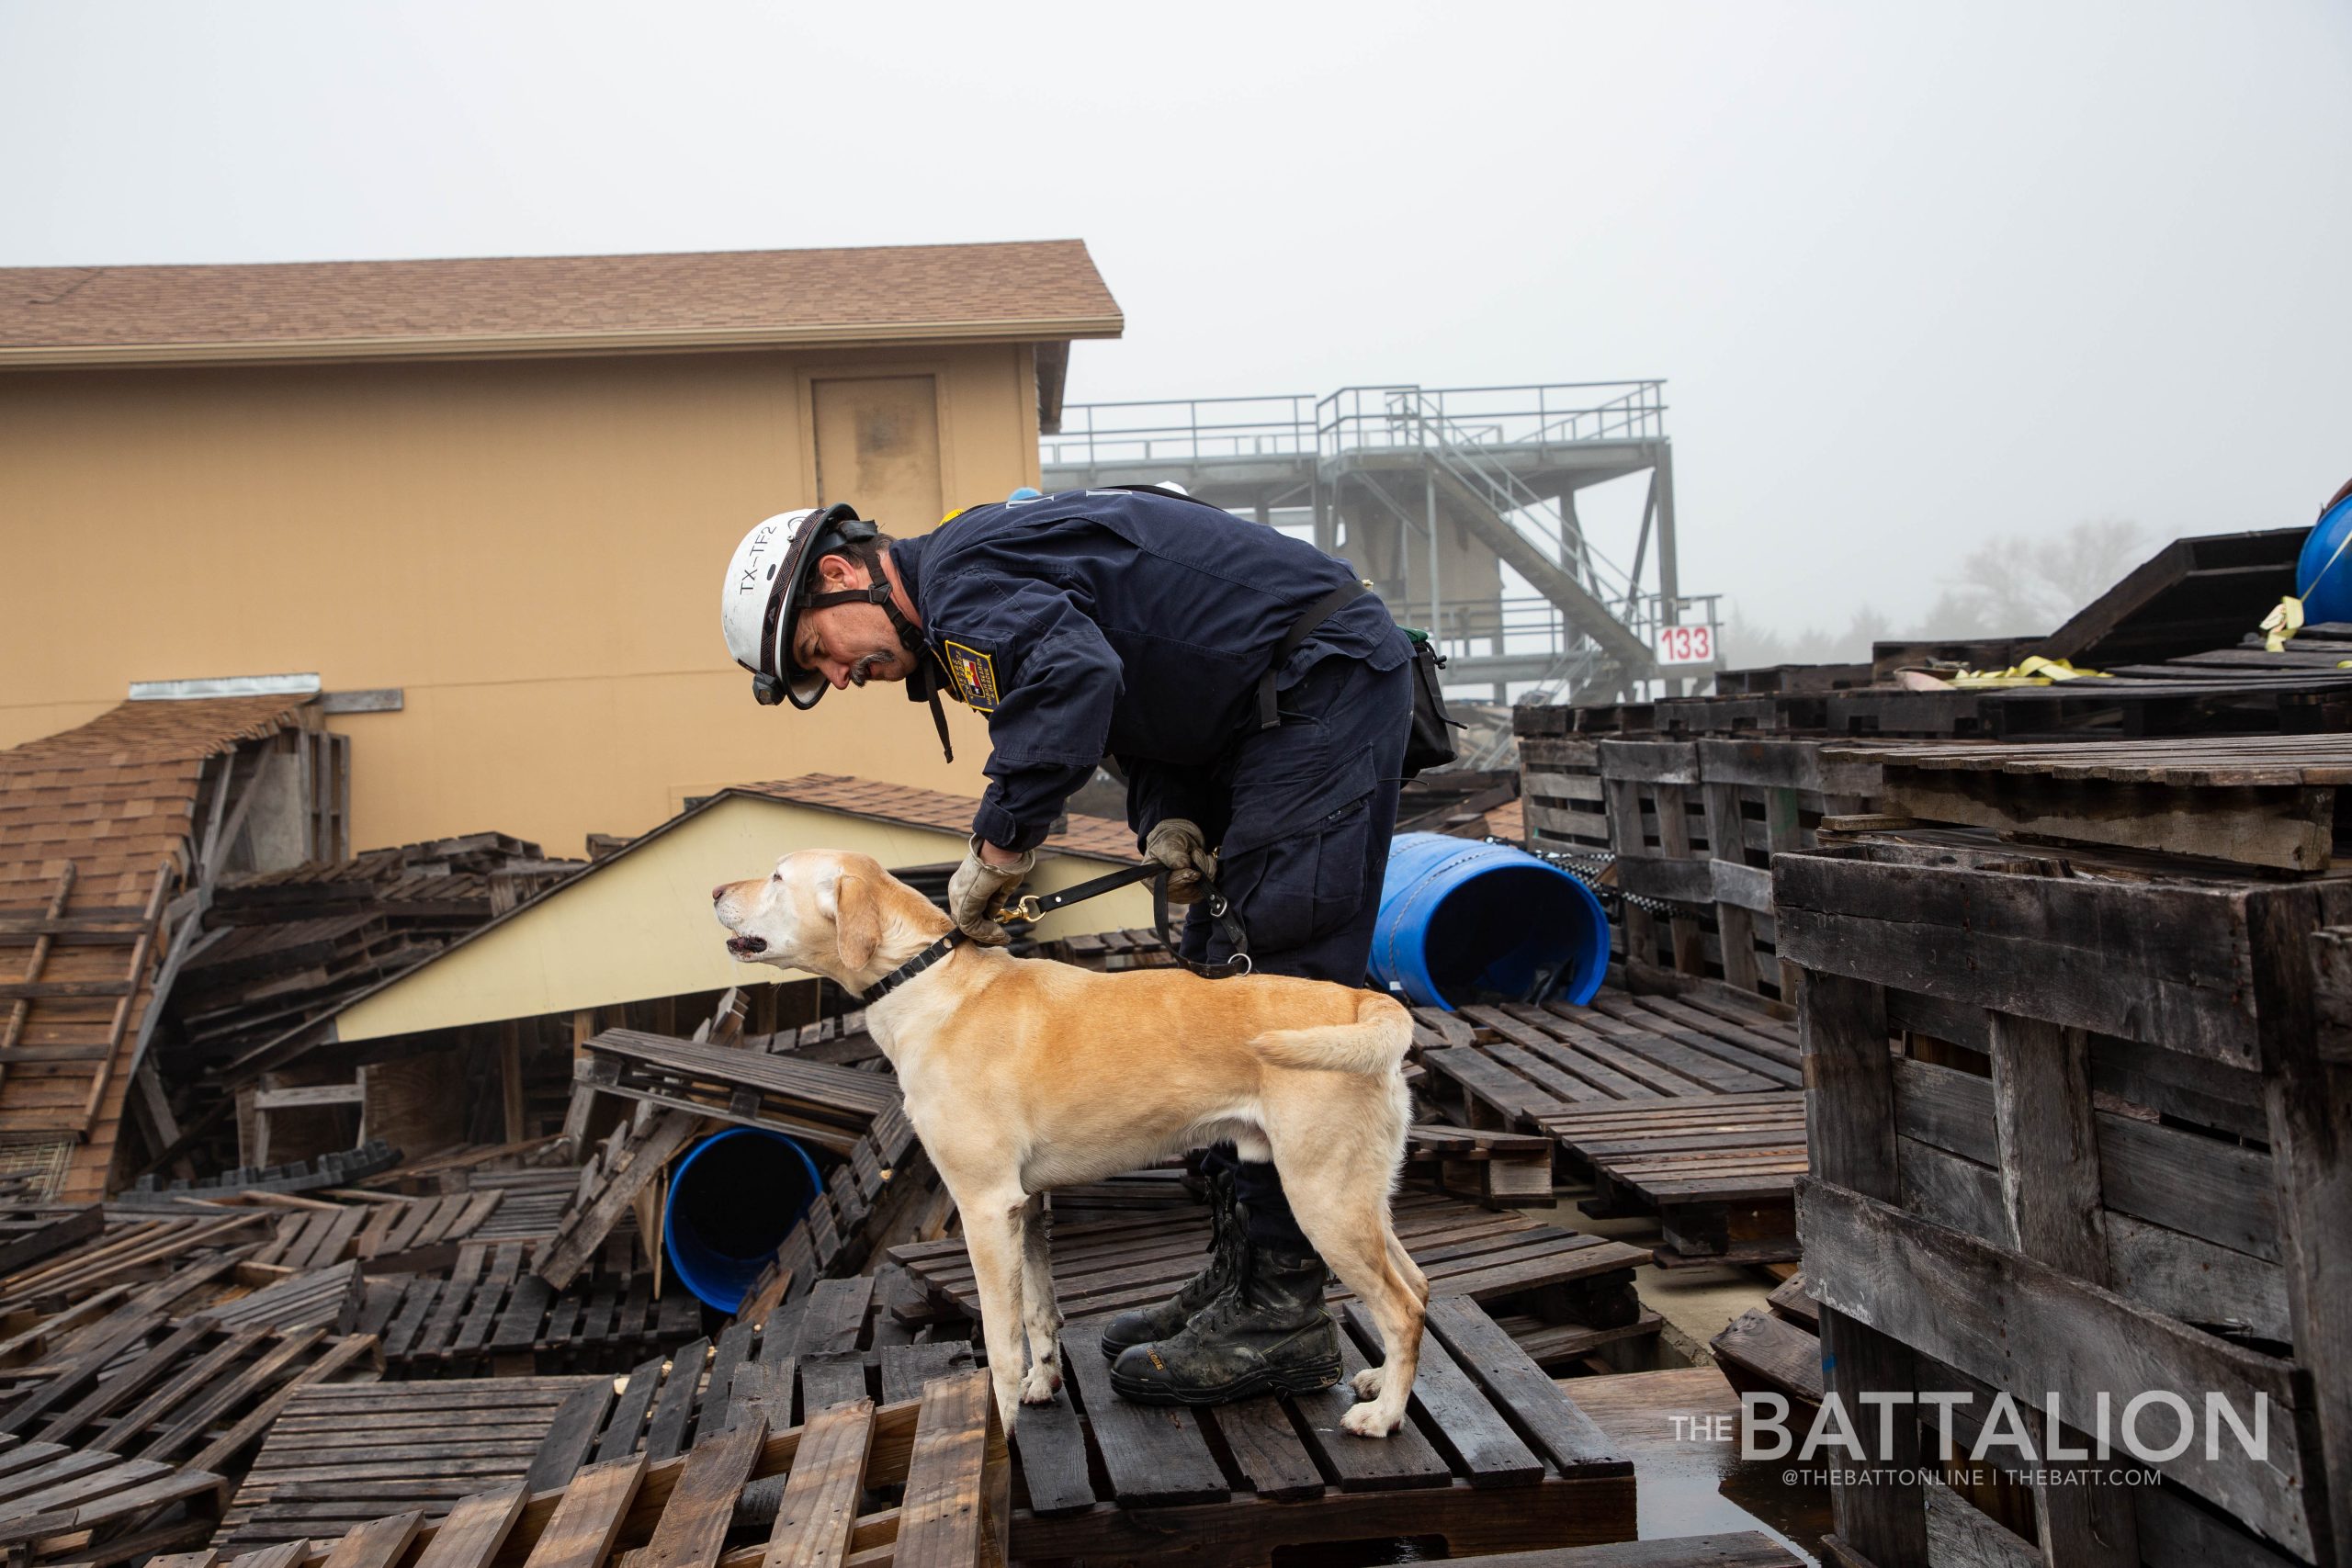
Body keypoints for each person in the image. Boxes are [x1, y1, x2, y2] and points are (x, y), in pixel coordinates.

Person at [718, 486, 1415, 1405]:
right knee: (1213, 976)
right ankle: (1244, 1276)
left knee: (1280, 961)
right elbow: (1136, 690)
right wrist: (1167, 816)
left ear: (840, 576)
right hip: (1245, 722)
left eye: (821, 652)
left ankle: (1279, 1319)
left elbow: (1072, 680)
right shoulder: (976, 593)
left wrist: (997, 850)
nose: (841, 677)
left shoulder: (966, 583)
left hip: (1319, 686)